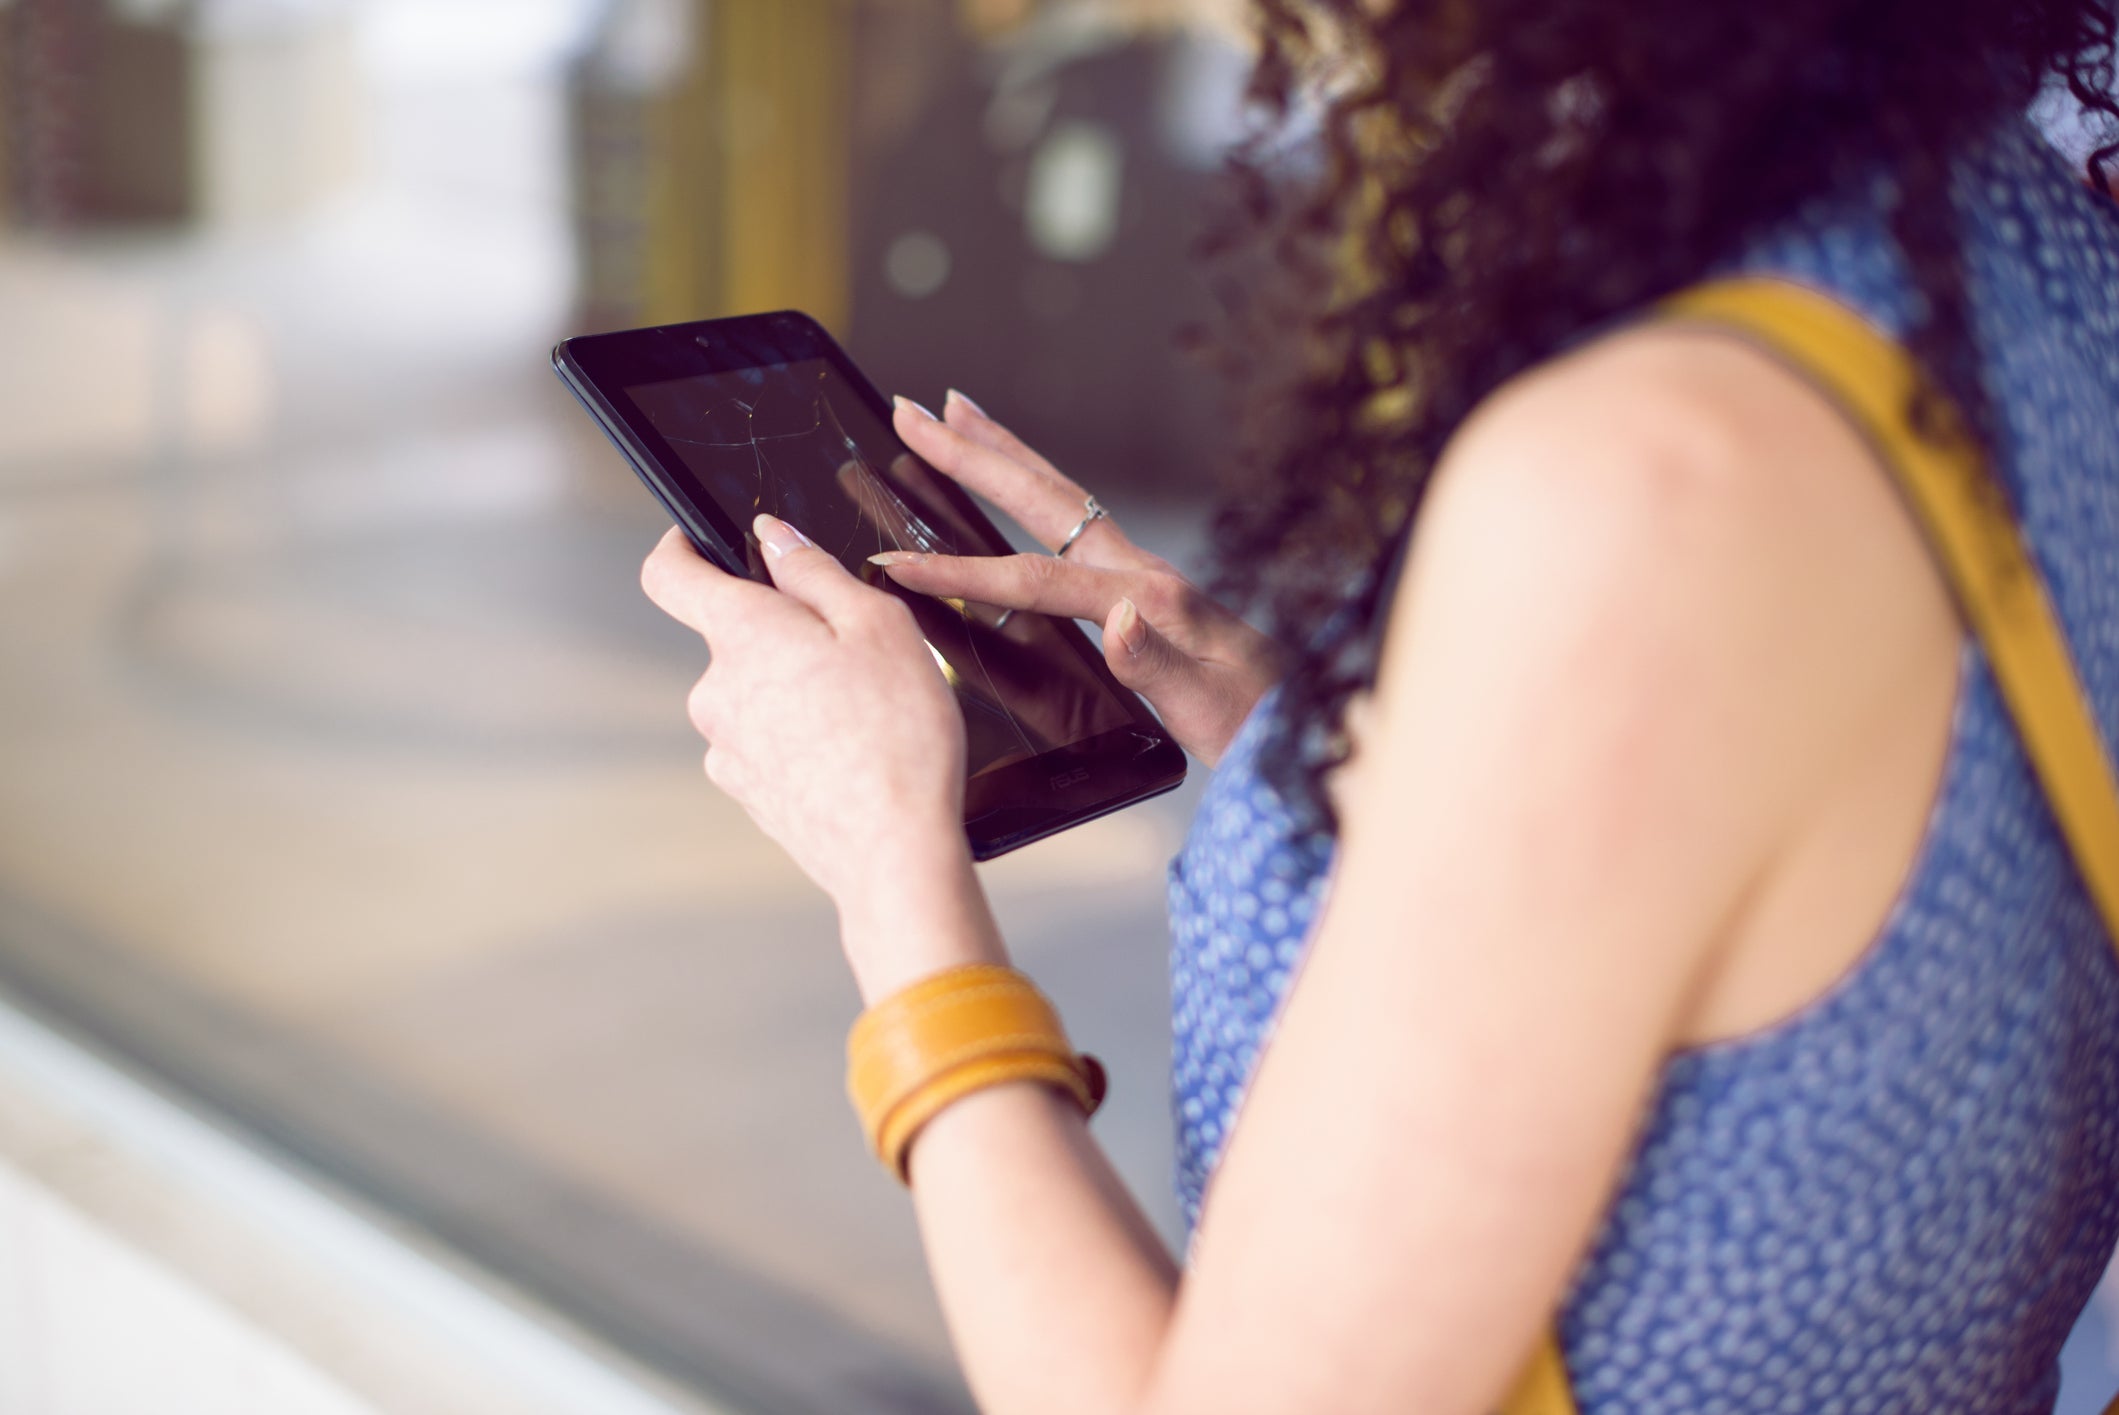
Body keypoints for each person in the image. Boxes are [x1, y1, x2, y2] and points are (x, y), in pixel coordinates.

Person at [638, 1, 2119, 1410]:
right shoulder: (2031, 258)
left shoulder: (1649, 484)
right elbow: (1824, 882)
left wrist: (889, 855)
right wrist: (1336, 742)